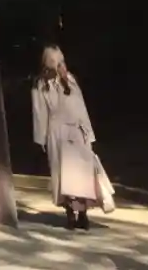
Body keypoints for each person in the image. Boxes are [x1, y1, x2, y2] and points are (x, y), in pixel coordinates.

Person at [32, 46, 100, 231]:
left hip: (76, 131)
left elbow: (80, 106)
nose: (60, 64)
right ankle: (70, 214)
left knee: (81, 172)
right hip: (57, 133)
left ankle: (83, 214)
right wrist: (42, 137)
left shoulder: (69, 80)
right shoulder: (41, 85)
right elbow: (40, 113)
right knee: (63, 174)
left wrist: (88, 132)